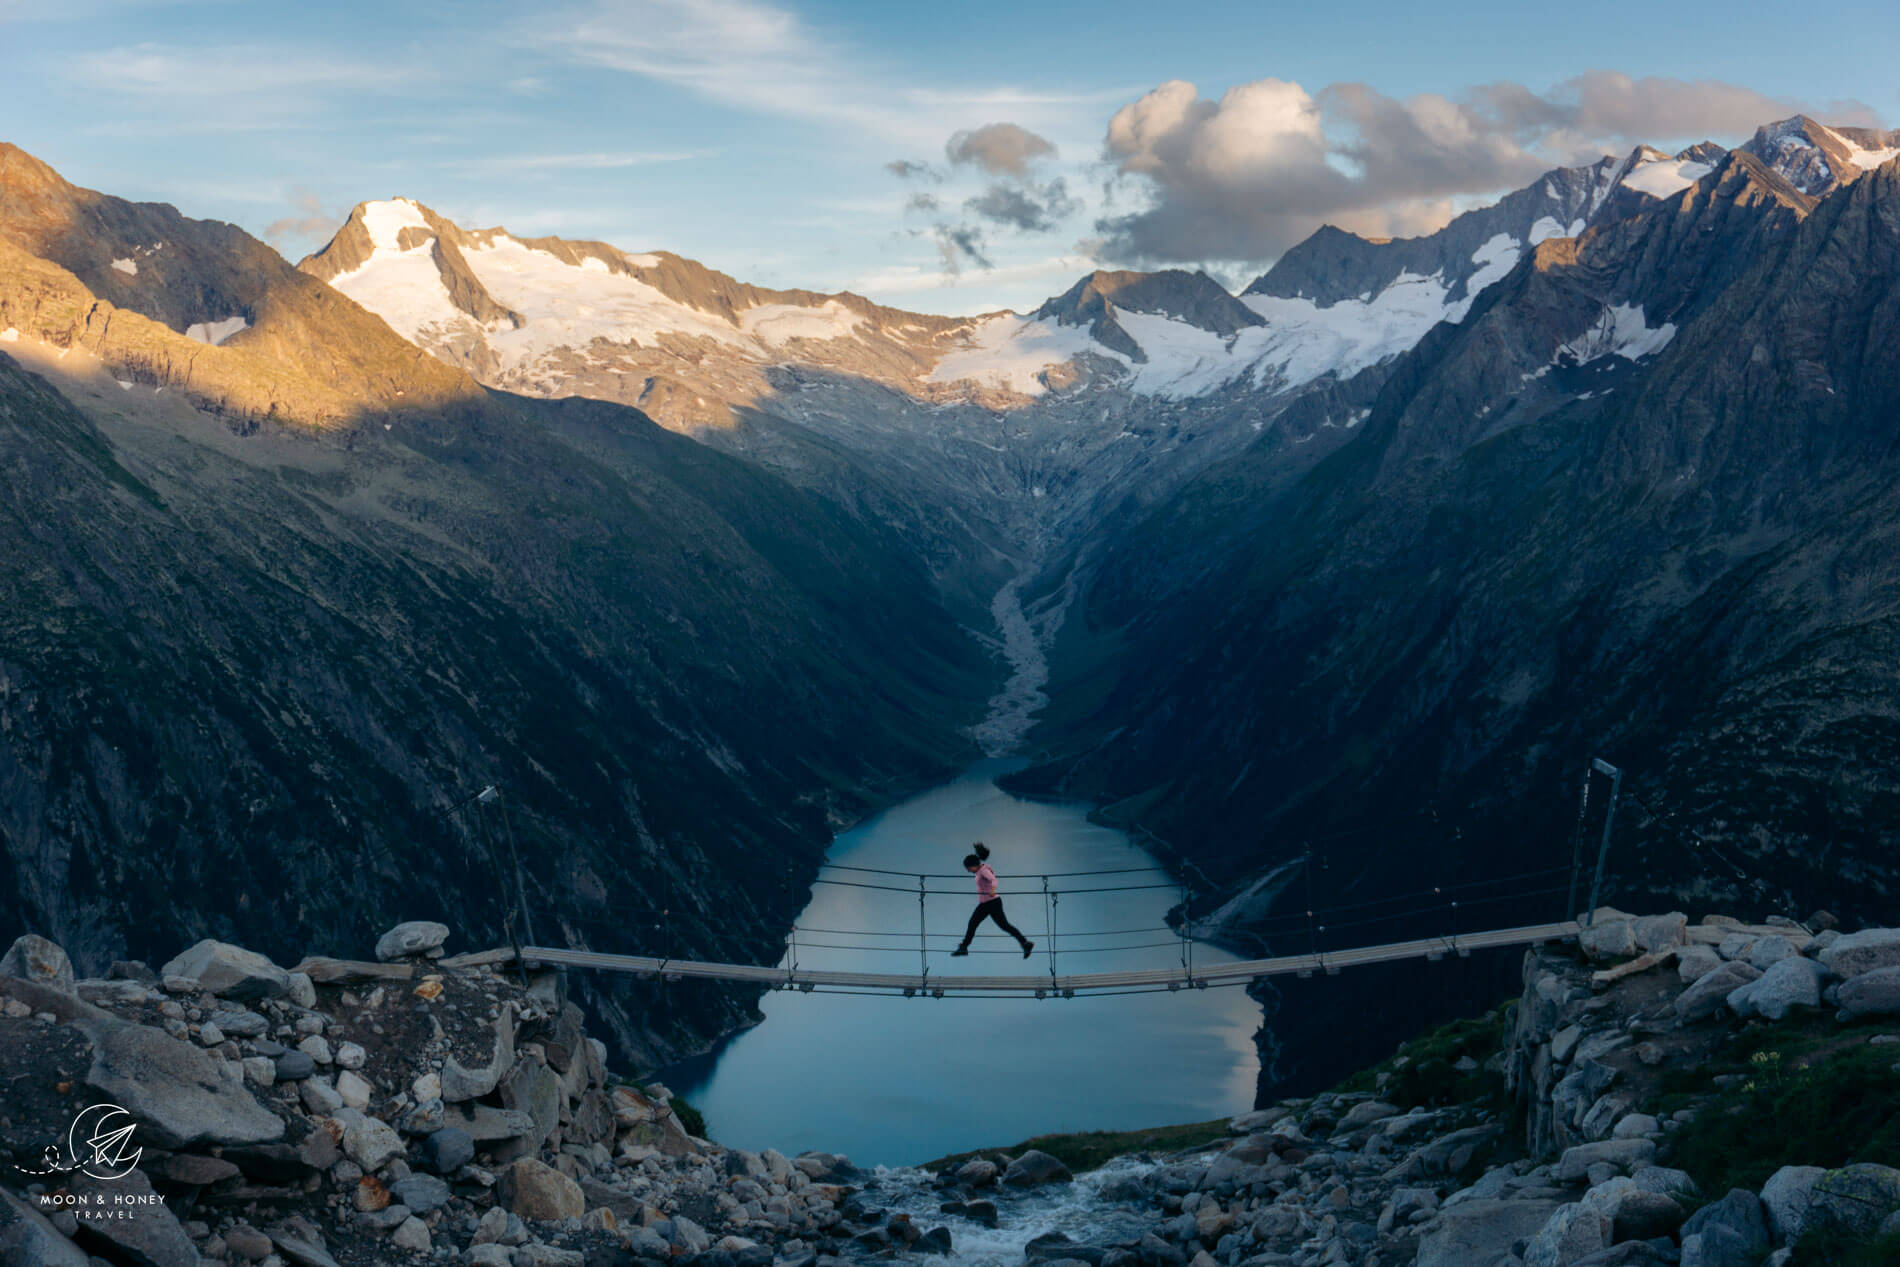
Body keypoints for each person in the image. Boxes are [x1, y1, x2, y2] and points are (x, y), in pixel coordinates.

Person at [950, 843, 1034, 959]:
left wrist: (993, 890)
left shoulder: (983, 871)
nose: (968, 871)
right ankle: (964, 947)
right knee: (973, 923)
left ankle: (1025, 943)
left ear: (973, 865)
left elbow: (994, 880)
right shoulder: (980, 870)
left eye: (969, 868)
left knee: (1003, 925)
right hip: (985, 904)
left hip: (992, 903)